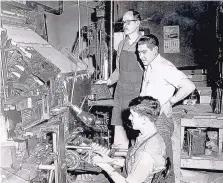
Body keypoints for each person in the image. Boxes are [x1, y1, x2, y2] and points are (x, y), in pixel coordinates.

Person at [137, 34, 196, 182]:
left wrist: (170, 102)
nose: (141, 56)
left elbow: (189, 86)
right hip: (150, 118)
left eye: (144, 52)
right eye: (139, 52)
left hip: (160, 120)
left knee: (164, 164)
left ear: (155, 49)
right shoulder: (149, 66)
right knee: (153, 163)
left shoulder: (164, 67)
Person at [92, 96, 170, 183]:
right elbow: (134, 164)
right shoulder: (154, 136)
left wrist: (104, 165)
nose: (129, 118)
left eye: (132, 115)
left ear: (144, 119)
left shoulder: (146, 153)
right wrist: (111, 161)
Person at [96, 9, 144, 149]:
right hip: (121, 92)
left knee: (138, 134)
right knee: (119, 134)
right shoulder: (121, 44)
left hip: (138, 93)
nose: (125, 25)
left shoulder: (145, 43)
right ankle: (118, 164)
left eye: (129, 22)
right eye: (124, 22)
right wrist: (109, 81)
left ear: (138, 23)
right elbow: (119, 70)